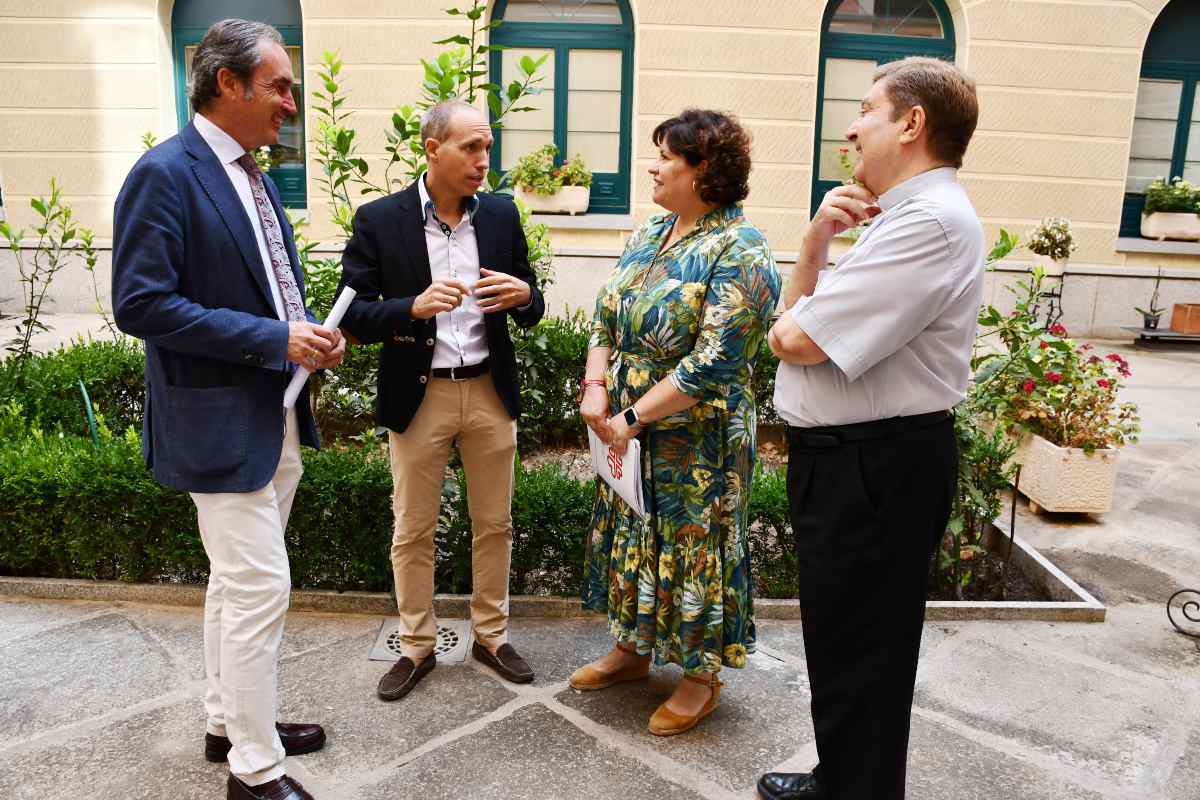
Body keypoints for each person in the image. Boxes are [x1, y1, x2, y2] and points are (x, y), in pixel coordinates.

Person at [112, 19, 342, 800]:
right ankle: (254, 770)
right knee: (257, 589)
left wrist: (304, 339)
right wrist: (277, 338)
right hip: (217, 418)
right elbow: (140, 304)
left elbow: (269, 284)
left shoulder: (256, 175)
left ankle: (227, 723)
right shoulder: (165, 173)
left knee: (231, 584)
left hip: (272, 410)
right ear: (228, 85)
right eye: (279, 84)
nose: (291, 100)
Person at [755, 57, 984, 800]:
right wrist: (818, 238)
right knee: (844, 644)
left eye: (867, 109)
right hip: (855, 462)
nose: (851, 128)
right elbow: (794, 325)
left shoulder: (927, 223)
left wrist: (792, 324)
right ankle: (843, 778)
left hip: (876, 467)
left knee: (865, 652)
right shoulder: (903, 217)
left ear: (912, 124)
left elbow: (793, 340)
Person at [571, 109, 781, 736]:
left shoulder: (741, 248)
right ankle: (633, 649)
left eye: (667, 156)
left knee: (695, 543)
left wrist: (631, 417)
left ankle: (699, 676)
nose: (653, 166)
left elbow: (716, 361)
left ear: (706, 171)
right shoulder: (651, 231)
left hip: (698, 437)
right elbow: (606, 313)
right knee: (635, 528)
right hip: (627, 426)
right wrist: (595, 383)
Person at [337, 100, 546, 703]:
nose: (484, 160)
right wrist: (412, 306)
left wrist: (525, 294)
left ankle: (491, 636)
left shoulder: (502, 216)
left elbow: (531, 310)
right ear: (432, 149)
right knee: (413, 527)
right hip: (418, 395)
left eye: (487, 147)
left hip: (487, 389)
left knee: (495, 523)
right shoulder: (380, 220)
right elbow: (351, 314)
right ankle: (415, 646)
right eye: (471, 148)